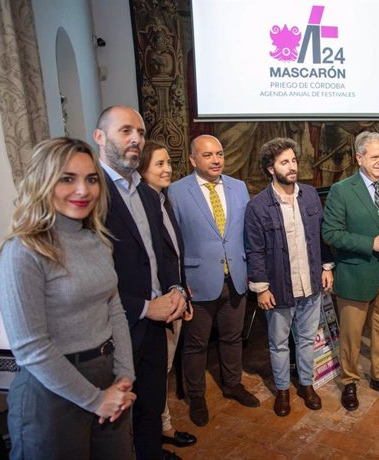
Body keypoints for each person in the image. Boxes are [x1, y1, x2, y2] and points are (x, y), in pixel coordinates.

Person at [0, 137, 136, 459]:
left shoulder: (97, 240)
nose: (83, 191)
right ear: (43, 181)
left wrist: (125, 374)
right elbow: (30, 347)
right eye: (67, 179)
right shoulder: (23, 251)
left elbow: (114, 310)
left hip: (108, 378)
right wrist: (95, 399)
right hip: (51, 391)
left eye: (91, 179)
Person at [94, 106, 188, 460]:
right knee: (119, 416)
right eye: (125, 131)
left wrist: (176, 289)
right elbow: (94, 277)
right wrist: (145, 307)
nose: (135, 138)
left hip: (155, 324)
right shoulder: (92, 196)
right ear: (99, 137)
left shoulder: (148, 194)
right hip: (117, 328)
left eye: (141, 132)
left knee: (151, 402)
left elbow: (163, 254)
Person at [169, 134, 259, 427]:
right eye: (207, 155)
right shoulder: (176, 192)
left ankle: (232, 384)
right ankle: (197, 396)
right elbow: (173, 244)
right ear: (193, 160)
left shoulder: (238, 187)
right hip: (198, 282)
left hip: (236, 278)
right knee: (196, 345)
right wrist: (180, 285)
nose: (216, 159)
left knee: (233, 338)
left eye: (219, 153)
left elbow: (245, 233)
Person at [322, 131, 379, 411]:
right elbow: (331, 233)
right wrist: (369, 243)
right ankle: (349, 381)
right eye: (375, 156)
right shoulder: (341, 190)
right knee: (351, 334)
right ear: (359, 158)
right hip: (355, 275)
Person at [244, 138, 334, 417]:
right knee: (279, 343)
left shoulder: (309, 195)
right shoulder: (258, 206)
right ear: (271, 168)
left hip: (310, 284)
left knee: (307, 339)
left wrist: (327, 267)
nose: (292, 166)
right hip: (279, 289)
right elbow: (254, 250)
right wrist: (261, 288)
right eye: (285, 162)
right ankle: (283, 390)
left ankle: (306, 384)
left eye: (294, 160)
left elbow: (322, 235)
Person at [137, 141, 197, 449]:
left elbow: (174, 254)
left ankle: (162, 428)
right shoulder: (142, 205)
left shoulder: (163, 200)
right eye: (159, 164)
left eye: (168, 163)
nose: (167, 169)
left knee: (165, 370)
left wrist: (183, 292)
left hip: (174, 300)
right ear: (142, 168)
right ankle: (159, 432)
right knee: (156, 374)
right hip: (156, 307)